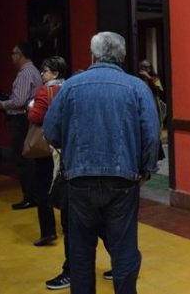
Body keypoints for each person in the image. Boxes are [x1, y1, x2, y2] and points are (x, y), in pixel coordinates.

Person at [44, 32, 160, 294]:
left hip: (79, 179)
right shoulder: (137, 87)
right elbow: (152, 137)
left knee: (81, 252)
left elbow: (50, 130)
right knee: (124, 249)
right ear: (122, 56)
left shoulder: (70, 87)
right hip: (123, 181)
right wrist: (145, 170)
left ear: (92, 55)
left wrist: (72, 149)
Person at [26, 56, 67, 247]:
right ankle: (68, 226)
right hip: (66, 145)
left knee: (42, 187)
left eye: (45, 70)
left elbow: (36, 117)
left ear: (55, 73)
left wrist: (30, 107)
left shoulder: (45, 91)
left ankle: (48, 231)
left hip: (47, 146)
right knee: (64, 184)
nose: (42, 74)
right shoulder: (69, 88)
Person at [0, 43, 42, 209]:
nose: (12, 56)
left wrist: (3, 104)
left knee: (23, 159)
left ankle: (30, 197)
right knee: (28, 159)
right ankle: (34, 195)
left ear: (21, 55)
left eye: (14, 53)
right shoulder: (32, 71)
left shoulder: (25, 73)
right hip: (26, 118)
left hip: (20, 119)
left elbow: (18, 101)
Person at [138, 59, 166, 160]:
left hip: (154, 106)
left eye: (147, 67)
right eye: (142, 67)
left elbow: (159, 90)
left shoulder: (155, 79)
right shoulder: (136, 80)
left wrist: (149, 78)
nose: (145, 69)